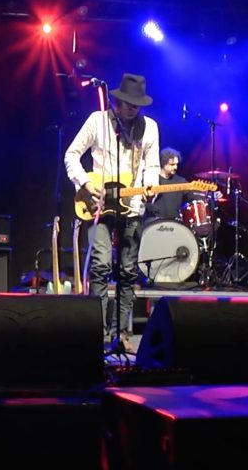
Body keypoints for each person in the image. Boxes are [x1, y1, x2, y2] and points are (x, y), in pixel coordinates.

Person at [65, 73, 160, 352]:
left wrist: (150, 185)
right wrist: (85, 183)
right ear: (117, 101)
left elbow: (152, 165)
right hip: (98, 204)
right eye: (128, 104)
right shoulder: (98, 121)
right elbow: (72, 154)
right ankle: (95, 332)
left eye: (136, 105)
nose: (132, 109)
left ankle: (121, 334)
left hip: (132, 205)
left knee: (128, 271)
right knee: (101, 265)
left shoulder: (149, 128)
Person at [143, 147, 194, 221]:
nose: (175, 167)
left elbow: (193, 198)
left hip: (175, 223)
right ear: (163, 163)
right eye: (172, 164)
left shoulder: (181, 181)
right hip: (154, 223)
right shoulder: (152, 181)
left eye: (176, 164)